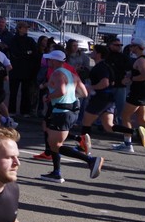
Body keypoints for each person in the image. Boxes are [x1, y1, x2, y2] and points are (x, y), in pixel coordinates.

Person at [38, 50, 103, 183]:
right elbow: (84, 93)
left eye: (49, 59)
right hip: (72, 111)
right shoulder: (72, 75)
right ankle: (56, 172)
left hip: (61, 112)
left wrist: (49, 97)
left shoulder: (57, 73)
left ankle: (90, 160)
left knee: (55, 144)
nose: (48, 62)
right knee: (52, 139)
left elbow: (61, 91)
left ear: (55, 61)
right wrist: (71, 96)